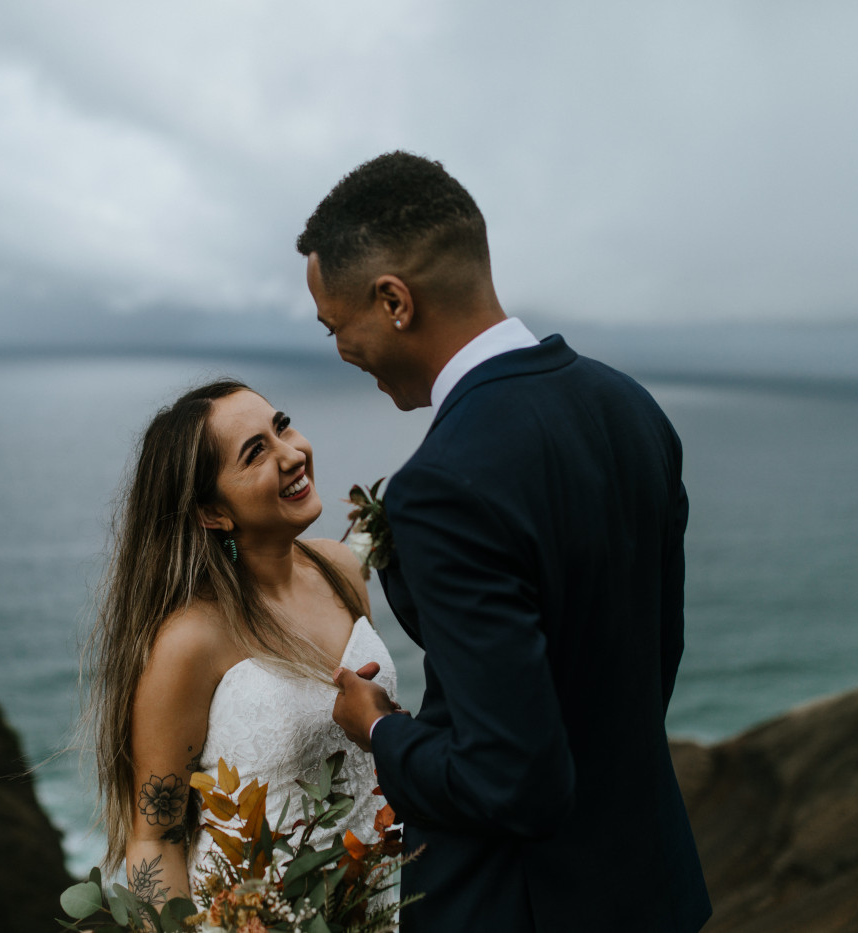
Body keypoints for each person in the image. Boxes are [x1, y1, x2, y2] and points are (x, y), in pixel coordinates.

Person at [299, 152, 712, 932]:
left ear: (394, 300)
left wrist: (380, 729)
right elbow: (656, 658)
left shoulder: (443, 482)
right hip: (649, 886)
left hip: (526, 904)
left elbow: (511, 779)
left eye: (337, 327)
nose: (342, 351)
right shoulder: (630, 406)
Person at [87, 379, 397, 906]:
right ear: (213, 514)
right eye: (256, 453)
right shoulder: (189, 641)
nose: (292, 454)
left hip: (384, 898)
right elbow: (154, 837)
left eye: (281, 428)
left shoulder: (343, 570)